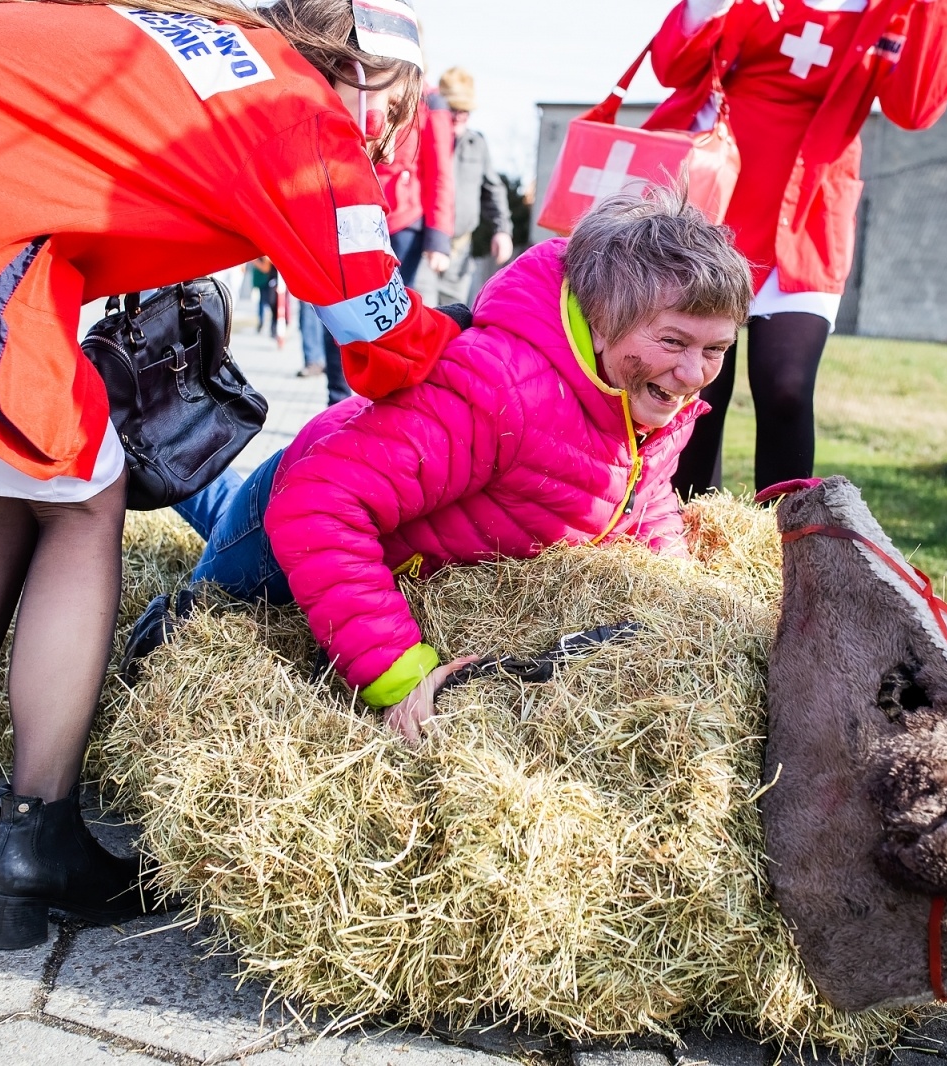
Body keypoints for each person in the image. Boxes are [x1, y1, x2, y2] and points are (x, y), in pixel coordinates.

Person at [0, 0, 460, 949]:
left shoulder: (204, 41)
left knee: (9, 494)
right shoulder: (298, 113)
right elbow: (381, 333)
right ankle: (40, 835)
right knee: (83, 502)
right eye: (396, 104)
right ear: (369, 71)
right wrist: (480, 346)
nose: (390, 130)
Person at [124, 188, 752, 744]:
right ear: (604, 318)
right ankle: (136, 450)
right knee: (213, 610)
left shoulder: (641, 395)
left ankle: (177, 467)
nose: (695, 374)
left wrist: (673, 592)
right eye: (673, 341)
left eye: (716, 349)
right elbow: (316, 506)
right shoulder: (505, 390)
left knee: (219, 505)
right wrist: (398, 674)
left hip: (381, 521)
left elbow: (649, 492)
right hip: (291, 523)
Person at [653, 0, 947, 495]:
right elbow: (672, 65)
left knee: (787, 387)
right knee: (699, 385)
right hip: (715, 209)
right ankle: (685, 535)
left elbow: (916, 108)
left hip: (809, 217)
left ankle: (788, 547)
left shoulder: (892, 9)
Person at [321, 77, 456, 404]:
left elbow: (439, 170)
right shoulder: (357, 81)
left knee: (386, 316)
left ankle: (380, 400)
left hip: (402, 221)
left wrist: (439, 236)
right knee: (338, 308)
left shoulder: (430, 102)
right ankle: (337, 399)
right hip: (351, 208)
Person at [413, 67, 515, 308]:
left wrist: (502, 230)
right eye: (454, 109)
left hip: (460, 254)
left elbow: (494, 190)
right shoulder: (420, 138)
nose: (460, 116)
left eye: (466, 111)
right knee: (421, 319)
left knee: (453, 322)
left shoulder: (476, 143)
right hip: (422, 250)